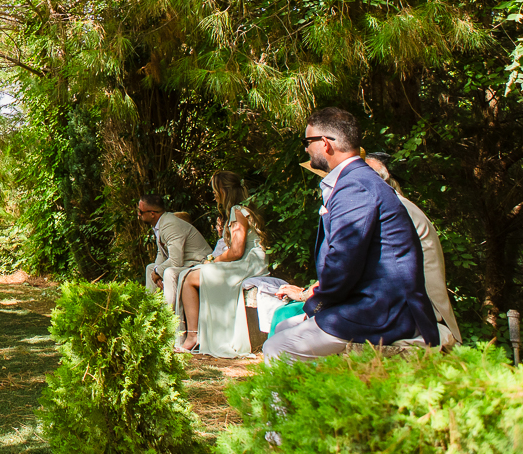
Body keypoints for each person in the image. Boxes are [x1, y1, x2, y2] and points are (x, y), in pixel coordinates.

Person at [264, 108, 438, 362]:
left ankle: (303, 403)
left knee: (277, 348)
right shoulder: (356, 180)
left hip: (383, 312)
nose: (305, 150)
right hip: (370, 304)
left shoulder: (355, 185)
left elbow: (343, 262)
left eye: (307, 142)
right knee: (283, 328)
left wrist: (316, 306)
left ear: (324, 144)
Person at [365, 152, 461, 345]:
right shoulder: (397, 205)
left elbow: (364, 269)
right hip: (409, 309)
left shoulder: (392, 208)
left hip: (421, 317)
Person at [174, 172, 269, 356]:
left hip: (248, 263)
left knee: (189, 277)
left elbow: (236, 251)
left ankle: (193, 336)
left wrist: (214, 261)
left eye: (215, 190)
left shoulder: (237, 211)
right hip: (253, 260)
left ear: (224, 191)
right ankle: (195, 335)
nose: (214, 195)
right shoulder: (245, 208)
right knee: (192, 274)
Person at [137, 194, 211, 309]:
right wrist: (156, 273)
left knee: (169, 273)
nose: (138, 214)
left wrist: (158, 272)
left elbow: (176, 261)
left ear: (152, 214)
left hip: (198, 262)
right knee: (150, 268)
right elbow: (161, 253)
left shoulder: (169, 225)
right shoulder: (160, 224)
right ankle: (150, 311)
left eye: (141, 211)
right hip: (186, 263)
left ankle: (171, 318)